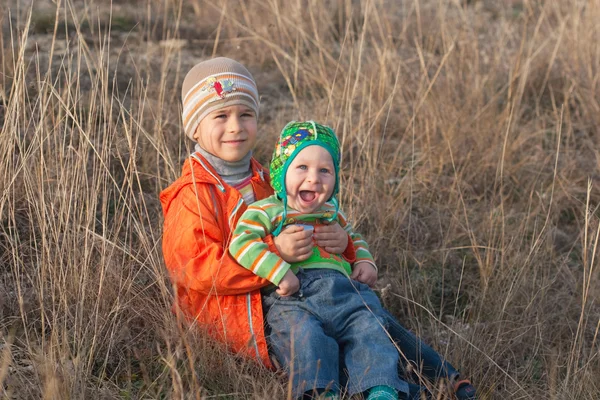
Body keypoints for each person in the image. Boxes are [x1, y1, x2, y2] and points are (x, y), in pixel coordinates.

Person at [160, 57, 477, 400]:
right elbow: (194, 271)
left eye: (245, 114)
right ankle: (403, 389)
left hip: (293, 289)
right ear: (193, 127)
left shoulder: (270, 179)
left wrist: (345, 245)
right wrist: (275, 254)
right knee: (318, 337)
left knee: (367, 317)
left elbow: (320, 220)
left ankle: (435, 380)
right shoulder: (192, 193)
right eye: (221, 116)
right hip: (236, 311)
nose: (235, 126)